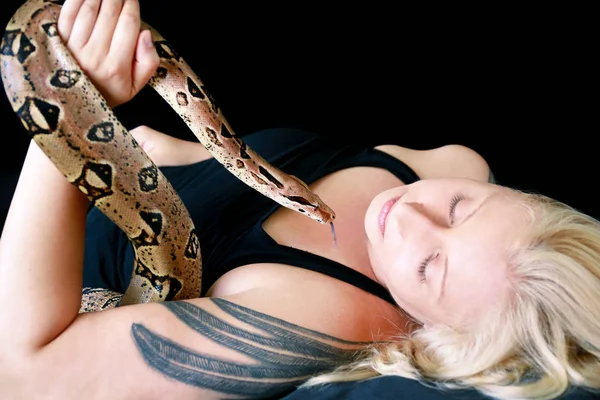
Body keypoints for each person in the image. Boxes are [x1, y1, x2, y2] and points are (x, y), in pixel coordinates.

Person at [0, 1, 599, 399]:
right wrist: (150, 144)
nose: (408, 213)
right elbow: (221, 165)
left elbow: (22, 376)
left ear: (441, 330)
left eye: (428, 266)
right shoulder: (449, 164)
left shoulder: (319, 316)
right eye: (461, 208)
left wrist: (69, 119)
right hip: (99, 169)